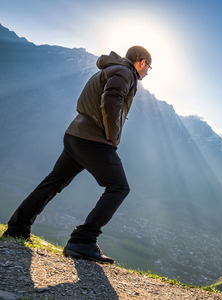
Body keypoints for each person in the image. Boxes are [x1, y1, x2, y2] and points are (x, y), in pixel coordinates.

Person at [1, 46, 152, 264]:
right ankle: (83, 241)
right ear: (142, 62)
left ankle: (17, 227)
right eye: (149, 67)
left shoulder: (110, 69)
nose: (147, 73)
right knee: (119, 187)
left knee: (53, 182)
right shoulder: (125, 73)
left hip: (75, 135)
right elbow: (111, 99)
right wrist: (112, 138)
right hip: (93, 140)